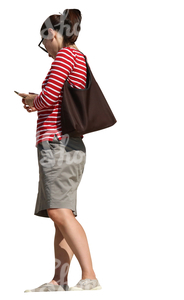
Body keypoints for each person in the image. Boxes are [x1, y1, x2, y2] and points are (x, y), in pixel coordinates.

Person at [20, 9, 102, 292]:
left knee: (59, 212)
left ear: (52, 34)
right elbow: (57, 97)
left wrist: (33, 99)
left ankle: (89, 276)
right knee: (60, 215)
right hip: (62, 145)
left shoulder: (66, 56)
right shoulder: (77, 58)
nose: (46, 51)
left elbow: (49, 98)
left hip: (58, 145)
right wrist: (38, 100)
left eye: (45, 43)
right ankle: (59, 280)